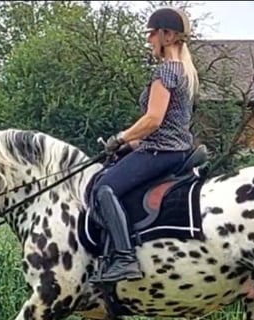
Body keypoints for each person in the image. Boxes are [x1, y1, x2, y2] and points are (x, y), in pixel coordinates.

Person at [91, 6, 199, 284]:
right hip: (173, 149)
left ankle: (124, 258)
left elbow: (153, 119)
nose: (149, 39)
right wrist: (132, 144)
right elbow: (169, 124)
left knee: (104, 187)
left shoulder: (165, 73)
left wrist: (121, 137)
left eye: (152, 34)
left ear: (167, 35)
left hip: (163, 152)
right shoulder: (185, 72)